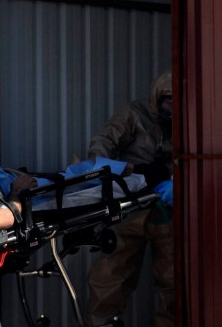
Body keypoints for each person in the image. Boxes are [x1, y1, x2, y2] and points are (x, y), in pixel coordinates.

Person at [85, 70, 174, 327]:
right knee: (111, 276)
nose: (173, 109)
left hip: (165, 206)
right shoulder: (135, 114)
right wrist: (108, 177)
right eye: (169, 101)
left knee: (173, 280)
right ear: (157, 98)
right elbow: (102, 145)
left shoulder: (190, 121)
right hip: (128, 204)